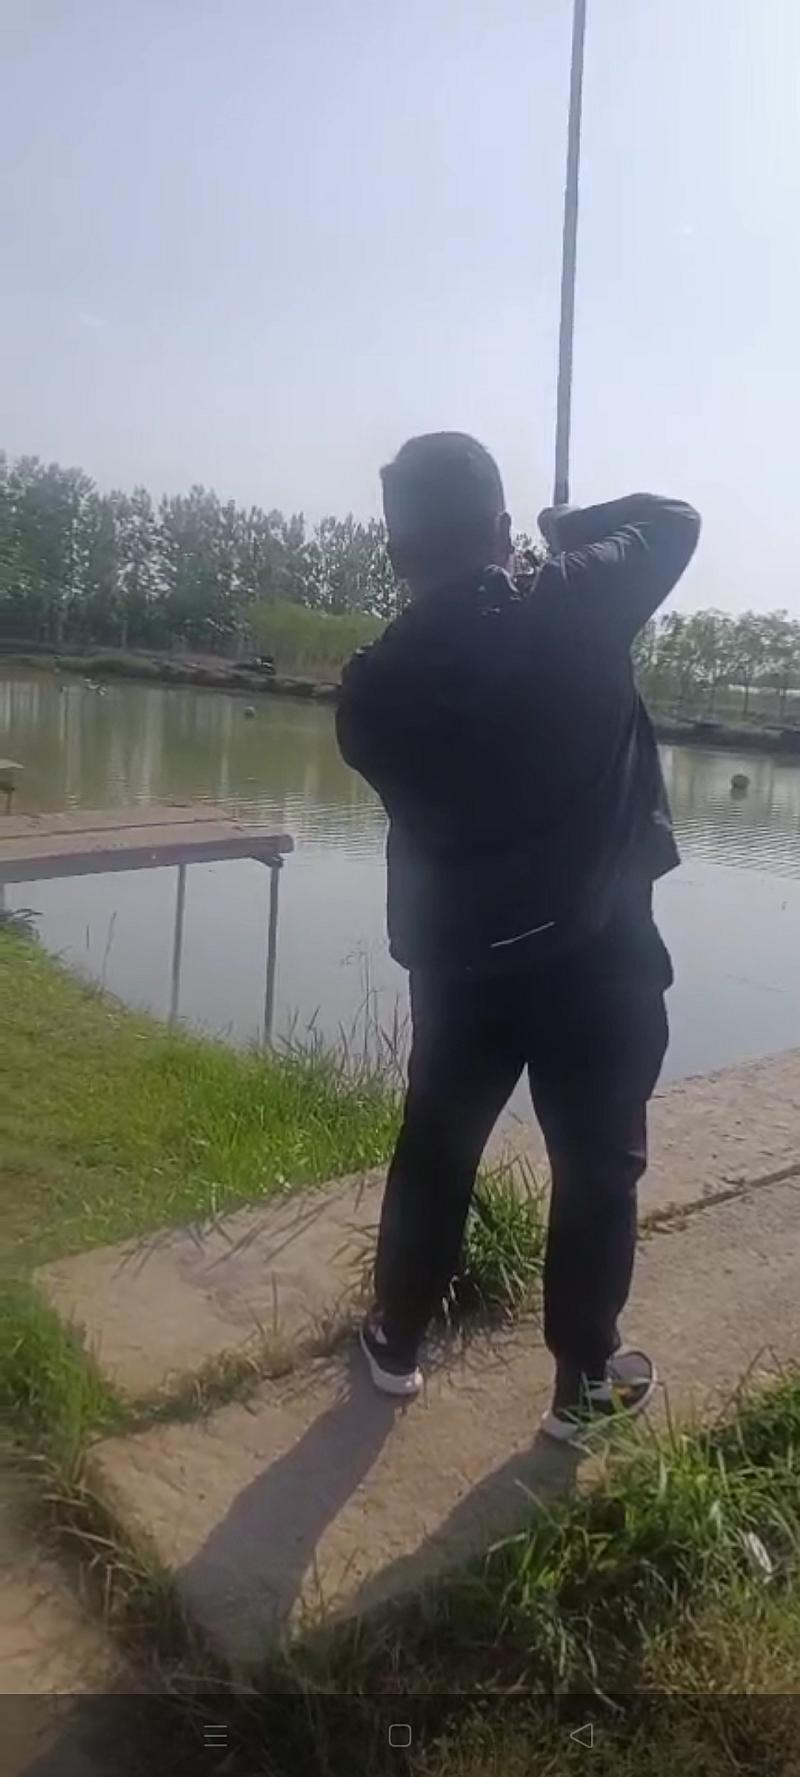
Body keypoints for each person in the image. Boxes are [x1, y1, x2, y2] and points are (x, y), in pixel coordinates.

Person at [336, 432, 700, 1439]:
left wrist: (515, 576)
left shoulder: (370, 692)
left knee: (437, 1147)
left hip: (464, 971)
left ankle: (396, 1339)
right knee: (596, 1165)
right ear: (500, 528)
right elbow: (673, 522)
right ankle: (582, 1380)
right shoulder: (580, 599)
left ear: (397, 553)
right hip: (600, 957)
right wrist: (564, 532)